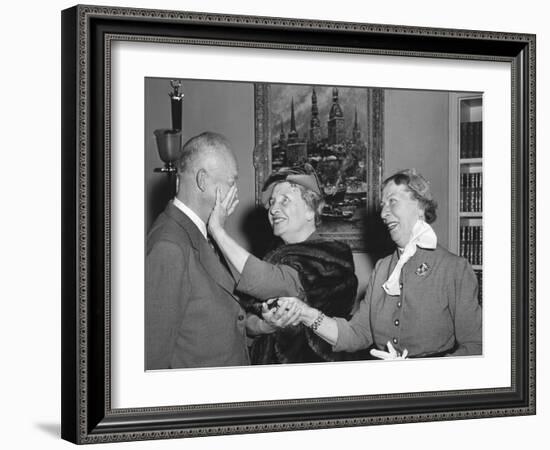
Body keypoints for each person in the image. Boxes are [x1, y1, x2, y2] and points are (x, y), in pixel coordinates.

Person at [275, 169, 482, 359]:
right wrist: (307, 314)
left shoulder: (454, 269)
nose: (383, 214)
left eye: (392, 202)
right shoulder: (383, 268)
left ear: (420, 207)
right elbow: (358, 334)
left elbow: (475, 345)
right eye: (383, 205)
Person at [208, 164, 358, 364]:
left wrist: (217, 231)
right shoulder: (273, 256)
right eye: (272, 202)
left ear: (310, 211)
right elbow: (245, 319)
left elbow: (273, 284)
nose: (274, 209)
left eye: (285, 201)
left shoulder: (331, 259)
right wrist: (265, 325)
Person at [145, 131, 250, 369]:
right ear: (203, 180)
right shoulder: (169, 247)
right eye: (231, 182)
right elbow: (153, 359)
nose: (236, 192)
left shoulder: (199, 233)